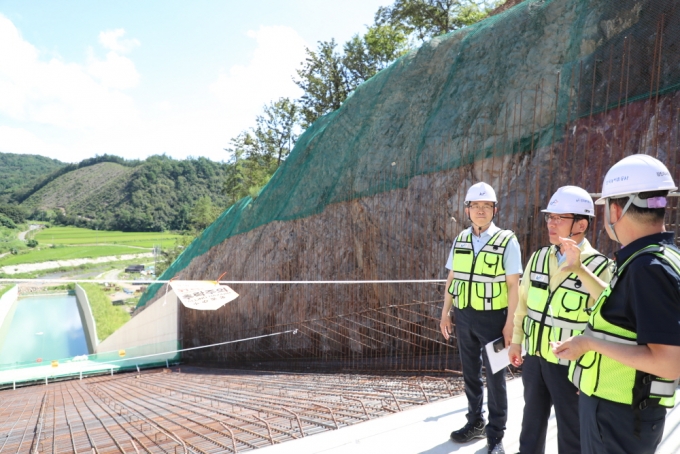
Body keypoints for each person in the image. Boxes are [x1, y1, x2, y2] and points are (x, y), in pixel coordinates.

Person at [553, 154, 680, 454]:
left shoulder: (647, 268)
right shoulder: (653, 257)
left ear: (615, 210)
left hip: (619, 418)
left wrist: (588, 344)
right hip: (618, 411)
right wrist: (579, 269)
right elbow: (620, 312)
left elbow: (669, 362)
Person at [508, 186, 612, 454]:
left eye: (559, 218)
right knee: (530, 426)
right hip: (535, 359)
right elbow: (523, 304)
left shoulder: (600, 267)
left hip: (573, 367)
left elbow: (608, 323)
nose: (551, 224)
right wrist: (517, 341)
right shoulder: (539, 258)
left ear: (581, 224)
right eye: (549, 217)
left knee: (572, 434)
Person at [440, 182, 522, 454]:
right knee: (470, 373)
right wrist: (445, 313)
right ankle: (475, 422)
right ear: (467, 210)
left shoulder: (507, 241)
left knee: (496, 377)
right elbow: (452, 277)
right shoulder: (460, 239)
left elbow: (513, 286)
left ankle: (495, 435)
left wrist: (510, 324)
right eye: (475, 206)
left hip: (493, 319)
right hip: (464, 315)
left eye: (486, 206)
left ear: (495, 210)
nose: (481, 210)